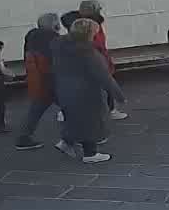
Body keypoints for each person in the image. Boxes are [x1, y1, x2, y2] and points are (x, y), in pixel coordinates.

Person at [54, 18, 125, 163]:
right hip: (86, 91)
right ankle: (90, 154)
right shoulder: (89, 54)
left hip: (64, 87)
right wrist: (119, 95)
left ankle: (67, 141)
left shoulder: (60, 45)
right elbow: (104, 77)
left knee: (74, 118)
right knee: (91, 121)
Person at [60, 1, 125, 120]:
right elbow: (96, 43)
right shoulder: (88, 26)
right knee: (101, 84)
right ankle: (108, 110)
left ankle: (109, 109)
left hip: (95, 57)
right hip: (95, 58)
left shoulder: (80, 24)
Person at [14, 13, 63, 151]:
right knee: (72, 107)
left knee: (36, 109)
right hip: (52, 80)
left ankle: (23, 137)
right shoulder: (53, 40)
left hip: (38, 79)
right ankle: (80, 138)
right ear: (54, 25)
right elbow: (57, 62)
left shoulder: (31, 37)